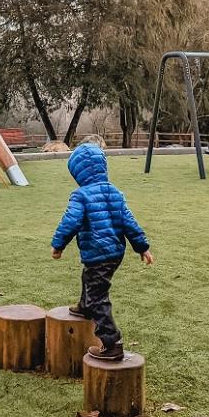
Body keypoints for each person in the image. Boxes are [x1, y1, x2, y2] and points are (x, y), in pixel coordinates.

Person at [50, 143, 153, 361]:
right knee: (90, 279)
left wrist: (58, 245)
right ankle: (85, 306)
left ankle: (112, 343)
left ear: (78, 172)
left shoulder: (80, 195)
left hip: (98, 253)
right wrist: (142, 247)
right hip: (115, 253)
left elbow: (71, 221)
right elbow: (129, 222)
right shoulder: (115, 192)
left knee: (98, 295)